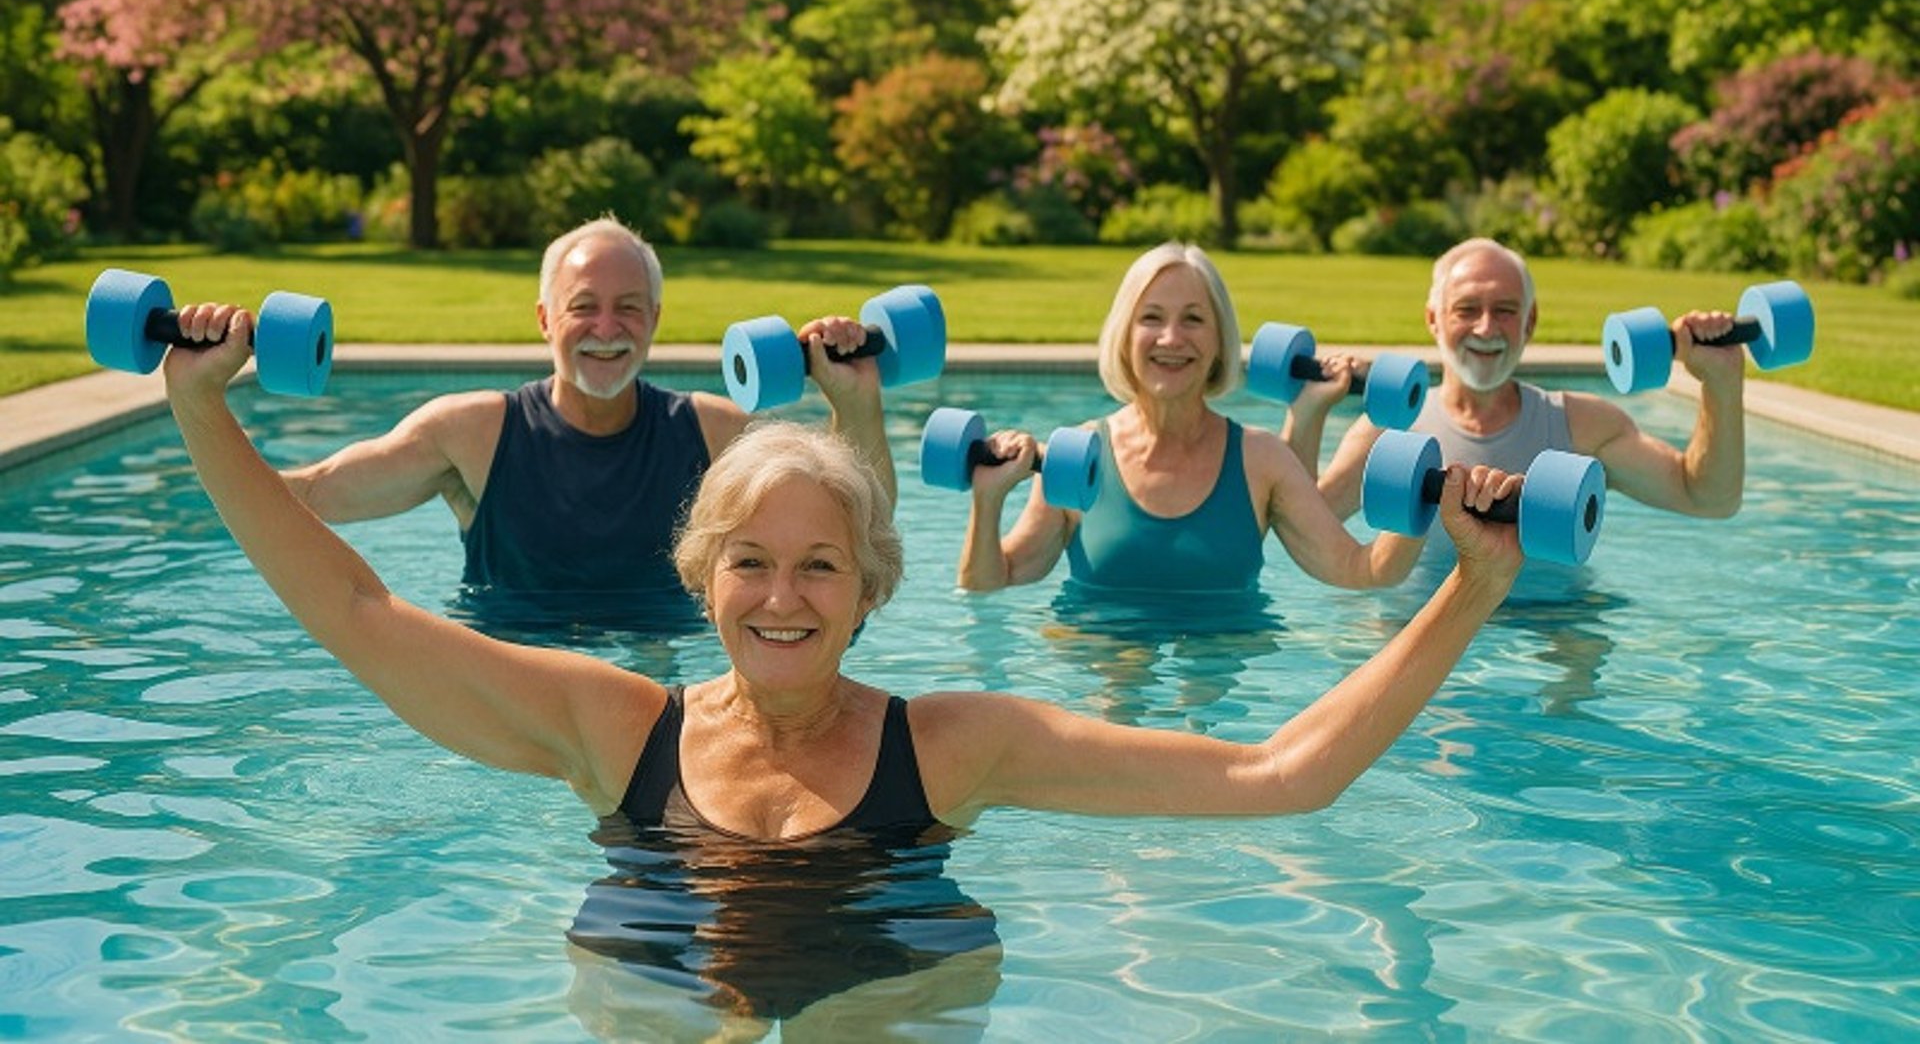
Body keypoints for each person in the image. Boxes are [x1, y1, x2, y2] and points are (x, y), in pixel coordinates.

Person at [161, 301, 1523, 1022]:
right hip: (659, 959)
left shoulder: (953, 743)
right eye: (749, 558)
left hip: (894, 969)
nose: (781, 593)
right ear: (700, 576)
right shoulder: (607, 720)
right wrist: (193, 407)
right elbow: (354, 608)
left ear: (869, 587)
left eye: (820, 563)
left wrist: (1474, 585)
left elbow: (1285, 773)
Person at [279, 215, 896, 605]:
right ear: (546, 319)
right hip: (515, 688)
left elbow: (860, 527)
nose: (607, 329)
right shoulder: (471, 434)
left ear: (654, 320)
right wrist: (201, 403)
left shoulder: (717, 434)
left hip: (662, 696)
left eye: (629, 307)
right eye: (583, 307)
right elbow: (316, 494)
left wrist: (856, 402)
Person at [955, 241, 1422, 594]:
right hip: (1103, 669)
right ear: (1123, 337)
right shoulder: (1076, 454)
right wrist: (988, 499)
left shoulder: (1263, 459)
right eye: (1152, 318)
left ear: (1220, 342)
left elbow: (1362, 571)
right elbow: (989, 583)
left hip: (1220, 679)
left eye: (1194, 320)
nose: (1171, 338)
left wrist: (1419, 500)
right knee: (1119, 681)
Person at [1313, 237, 1746, 528]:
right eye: (1466, 309)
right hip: (1416, 638)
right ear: (1433, 319)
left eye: (1504, 310)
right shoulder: (1387, 428)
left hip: (1549, 633)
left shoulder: (1585, 426)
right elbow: (1304, 521)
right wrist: (1309, 409)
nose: (1486, 329)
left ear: (1530, 321)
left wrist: (1721, 384)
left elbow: (1708, 499)